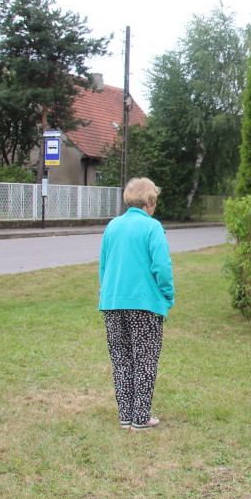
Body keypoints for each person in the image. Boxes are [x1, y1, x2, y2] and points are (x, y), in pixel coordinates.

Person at [98, 177, 174, 431]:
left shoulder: (112, 226)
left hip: (113, 302)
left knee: (121, 359)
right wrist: (168, 295)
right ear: (149, 201)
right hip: (144, 305)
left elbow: (104, 266)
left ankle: (126, 415)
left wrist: (107, 293)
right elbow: (162, 267)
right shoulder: (152, 227)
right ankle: (141, 417)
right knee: (145, 359)